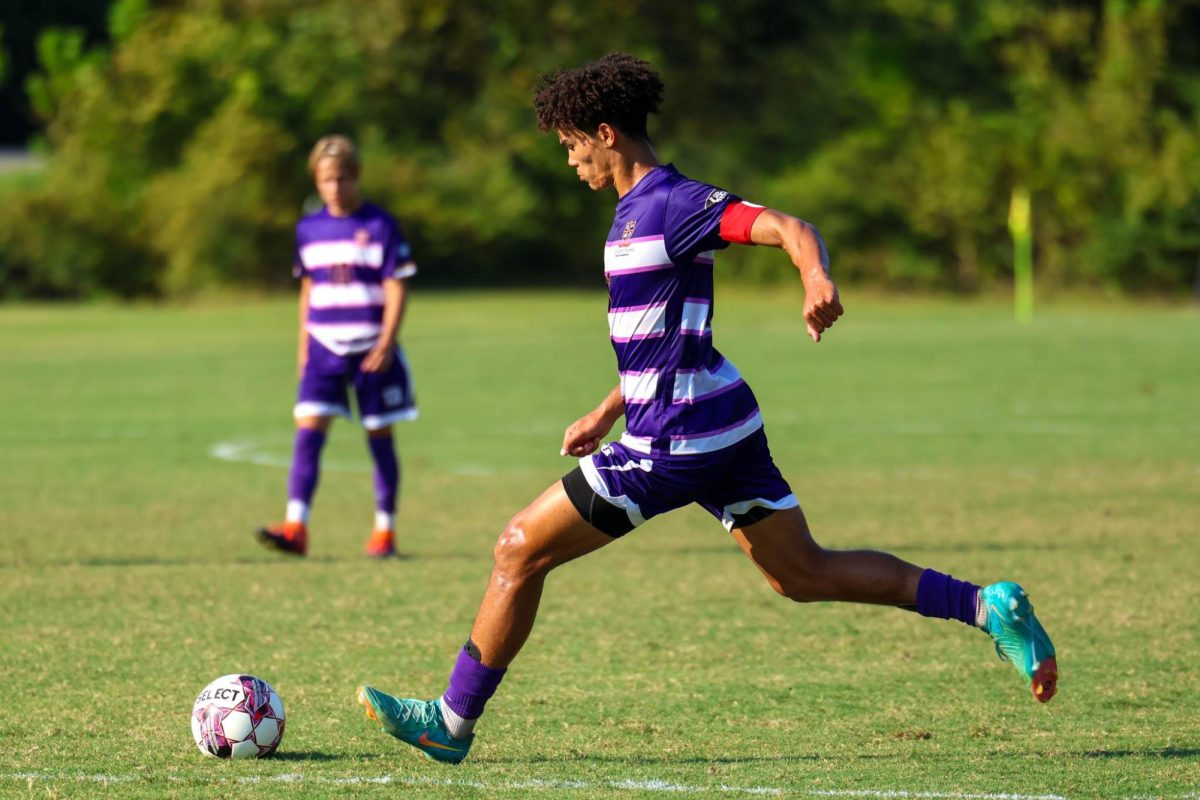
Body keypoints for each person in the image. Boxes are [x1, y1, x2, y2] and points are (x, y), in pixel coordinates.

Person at [355, 53, 1057, 763]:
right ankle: (983, 605)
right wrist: (608, 409)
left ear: (605, 132)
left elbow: (787, 224)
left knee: (518, 550)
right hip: (717, 422)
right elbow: (659, 333)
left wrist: (814, 276)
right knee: (802, 574)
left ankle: (450, 721)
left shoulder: (673, 203)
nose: (569, 161)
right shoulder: (631, 215)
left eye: (571, 146)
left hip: (676, 440)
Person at [257, 135, 418, 558]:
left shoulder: (381, 224)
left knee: (379, 435)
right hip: (323, 347)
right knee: (308, 432)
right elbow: (308, 288)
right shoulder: (307, 229)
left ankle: (384, 531)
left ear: (356, 176)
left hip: (370, 348)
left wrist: (387, 340)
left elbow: (396, 286)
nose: (335, 187)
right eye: (327, 179)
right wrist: (302, 346)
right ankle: (296, 526)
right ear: (316, 180)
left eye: (342, 178)